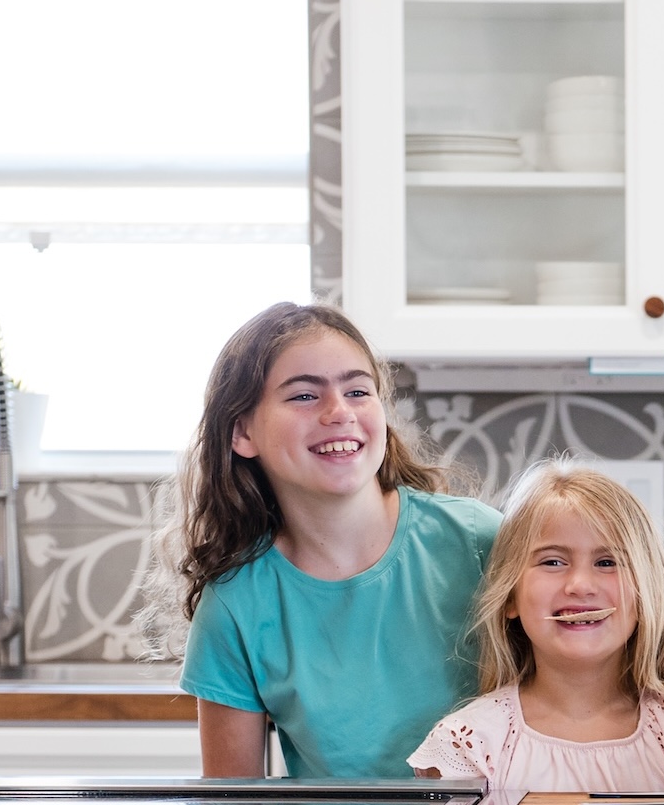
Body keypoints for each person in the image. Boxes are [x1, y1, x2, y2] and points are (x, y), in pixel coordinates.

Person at [169, 302, 500, 779]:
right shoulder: (236, 601)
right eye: (304, 395)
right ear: (242, 431)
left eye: (358, 390)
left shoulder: (478, 542)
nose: (339, 411)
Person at [409, 460, 664, 791]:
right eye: (553, 561)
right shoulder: (465, 747)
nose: (580, 584)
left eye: (607, 562)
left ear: (646, 593)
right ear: (510, 597)